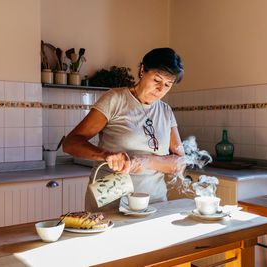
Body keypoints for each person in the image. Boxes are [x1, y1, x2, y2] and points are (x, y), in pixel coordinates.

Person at [63, 47, 186, 211]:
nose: (161, 89)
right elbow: (70, 143)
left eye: (168, 85)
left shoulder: (165, 111)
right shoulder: (115, 100)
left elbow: (180, 163)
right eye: (157, 80)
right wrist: (106, 155)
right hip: (112, 203)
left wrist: (146, 160)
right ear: (143, 70)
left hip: (155, 204)